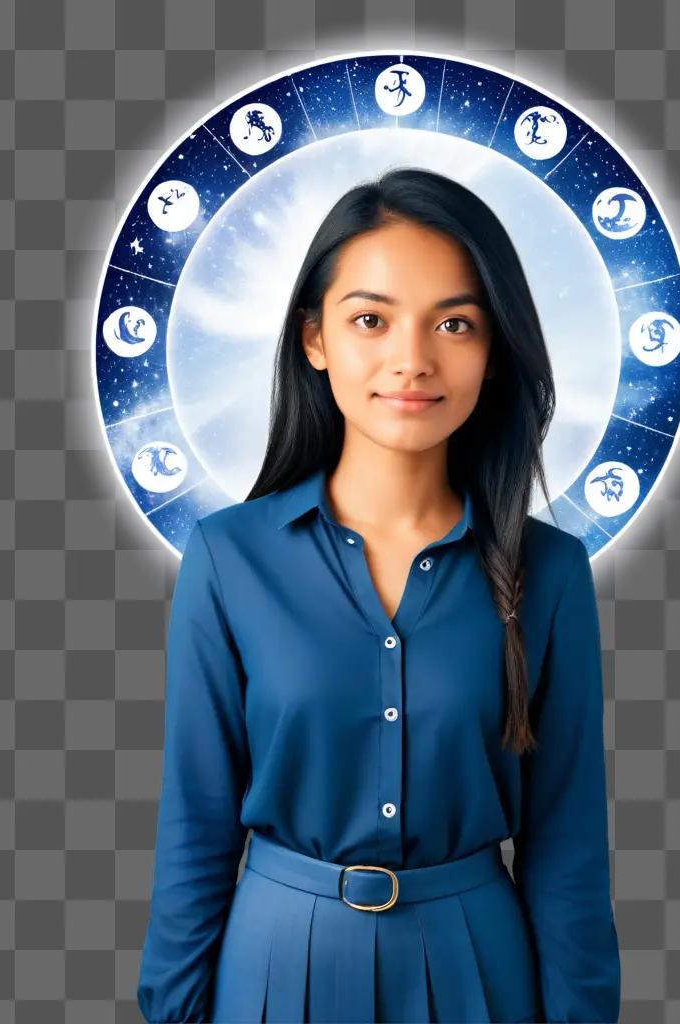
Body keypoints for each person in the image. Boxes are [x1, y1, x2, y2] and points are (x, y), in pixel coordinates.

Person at [136, 167, 621, 1023]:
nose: (412, 360)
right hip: (275, 964)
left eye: (456, 323)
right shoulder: (228, 560)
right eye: (371, 319)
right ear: (315, 338)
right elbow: (196, 825)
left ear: (495, 350)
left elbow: (569, 846)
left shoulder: (548, 573)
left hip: (480, 966)